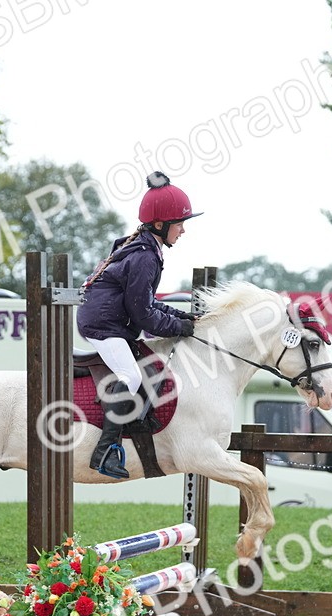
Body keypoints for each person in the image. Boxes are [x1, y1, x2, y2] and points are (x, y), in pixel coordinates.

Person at [76, 171, 201, 480]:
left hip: (112, 321)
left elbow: (147, 301)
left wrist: (179, 317)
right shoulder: (145, 256)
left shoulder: (147, 249)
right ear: (161, 224)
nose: (183, 230)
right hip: (104, 326)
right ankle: (104, 451)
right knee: (130, 375)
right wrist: (176, 328)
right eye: (180, 223)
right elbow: (144, 315)